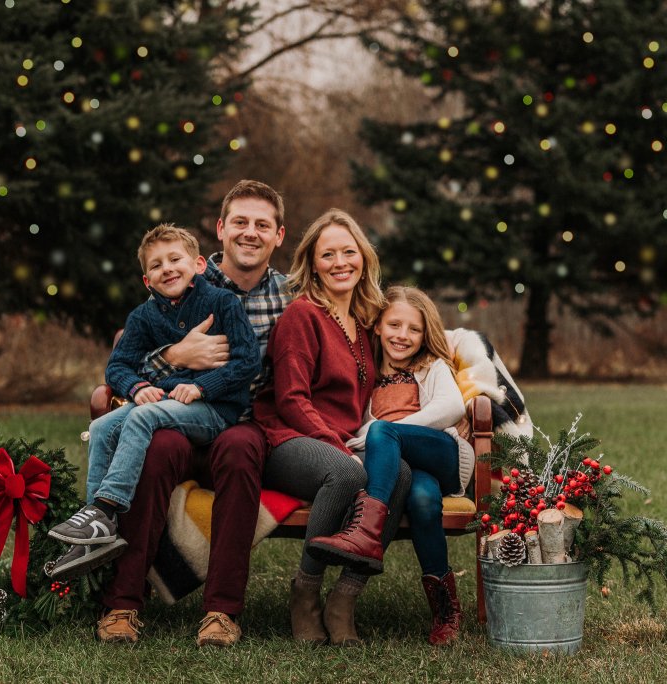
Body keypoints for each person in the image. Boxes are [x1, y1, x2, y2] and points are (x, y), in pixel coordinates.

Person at [96, 180, 288, 647]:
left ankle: (221, 611)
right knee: (158, 447)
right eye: (240, 222)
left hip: (239, 421)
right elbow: (124, 360)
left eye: (262, 225)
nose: (250, 233)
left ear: (278, 236)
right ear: (220, 231)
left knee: (243, 449)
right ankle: (122, 602)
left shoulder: (294, 295)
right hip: (174, 418)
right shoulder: (179, 282)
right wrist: (175, 358)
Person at [47, 224, 261, 580]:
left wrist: (202, 387)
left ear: (198, 264)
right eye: (157, 265)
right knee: (102, 426)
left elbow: (247, 361)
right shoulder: (143, 316)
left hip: (214, 411)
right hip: (163, 403)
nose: (168, 269)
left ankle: (106, 507)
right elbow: (117, 366)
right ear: (147, 280)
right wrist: (135, 387)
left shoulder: (223, 303)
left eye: (175, 259)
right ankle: (96, 533)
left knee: (143, 418)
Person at [253, 209, 411, 646]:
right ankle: (305, 593)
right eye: (328, 254)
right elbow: (290, 400)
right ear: (313, 263)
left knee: (398, 473)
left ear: (363, 258)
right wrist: (337, 446)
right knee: (347, 472)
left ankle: (345, 598)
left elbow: (416, 336)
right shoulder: (302, 316)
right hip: (289, 439)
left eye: (349, 251)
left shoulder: (364, 324)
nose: (340, 262)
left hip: (340, 441)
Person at [307, 286, 472, 645]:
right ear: (378, 327)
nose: (403, 335)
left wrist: (382, 434)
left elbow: (452, 408)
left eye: (414, 329)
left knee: (382, 431)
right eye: (394, 325)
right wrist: (376, 439)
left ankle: (364, 532)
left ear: (425, 334)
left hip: (440, 454)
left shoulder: (431, 366)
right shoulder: (365, 374)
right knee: (424, 501)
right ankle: (446, 611)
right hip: (407, 471)